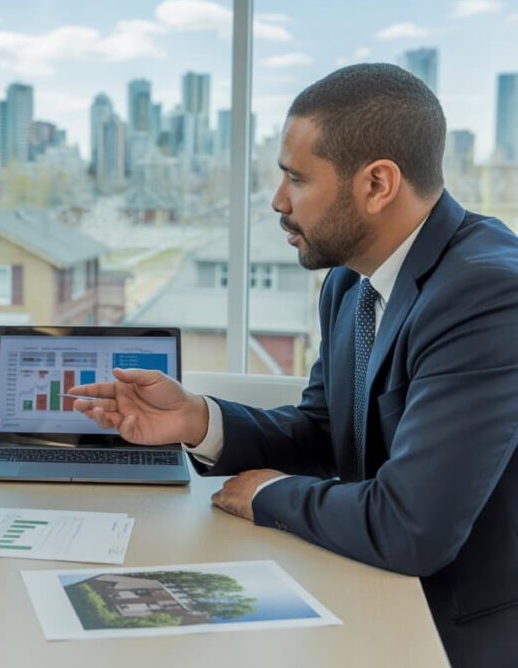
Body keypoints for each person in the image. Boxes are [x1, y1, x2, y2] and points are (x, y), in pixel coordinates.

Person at [70, 63, 518, 666]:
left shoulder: (487, 294)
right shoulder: (350, 284)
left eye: (296, 179)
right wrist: (199, 420)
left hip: (449, 630)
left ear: (378, 184)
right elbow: (327, 434)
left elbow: (414, 528)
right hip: (364, 587)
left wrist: (270, 495)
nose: (279, 201)